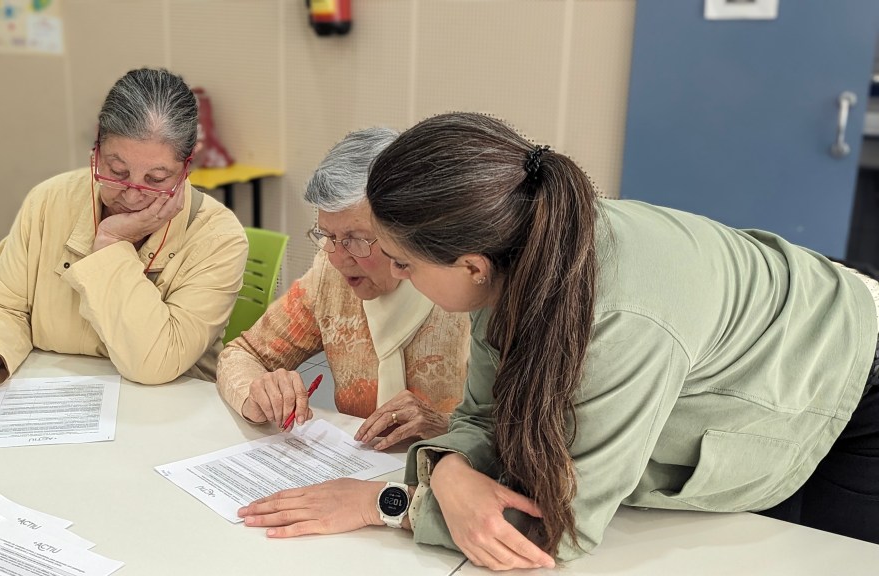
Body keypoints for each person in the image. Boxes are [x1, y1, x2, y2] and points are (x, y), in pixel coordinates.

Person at [237, 112, 879, 570]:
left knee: (815, 557)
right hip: (763, 350)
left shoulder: (620, 317)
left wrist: (387, 500)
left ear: (469, 265)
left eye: (403, 265)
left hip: (850, 385)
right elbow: (480, 416)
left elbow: (559, 527)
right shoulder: (514, 253)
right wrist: (450, 470)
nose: (392, 276)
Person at [0, 68, 247, 412]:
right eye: (117, 171)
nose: (133, 194)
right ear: (96, 149)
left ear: (187, 168)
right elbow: (0, 304)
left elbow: (155, 363)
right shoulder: (51, 201)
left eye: (156, 178)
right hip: (48, 398)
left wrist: (112, 242)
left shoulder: (218, 237)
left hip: (161, 415)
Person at [215, 128, 469, 449]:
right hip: (359, 468)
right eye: (328, 236)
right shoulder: (329, 276)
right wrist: (257, 392)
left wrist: (445, 425)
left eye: (356, 239)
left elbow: (529, 428)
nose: (337, 257)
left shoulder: (466, 292)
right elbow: (244, 353)